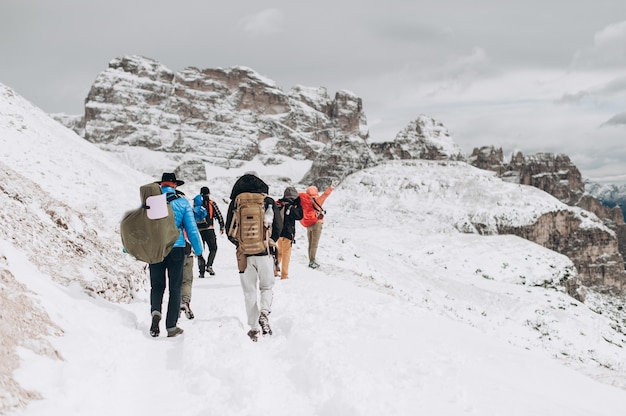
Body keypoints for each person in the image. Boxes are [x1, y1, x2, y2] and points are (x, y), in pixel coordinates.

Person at [225, 172, 280, 342]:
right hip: (264, 253)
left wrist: (241, 245)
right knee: (266, 287)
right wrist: (269, 242)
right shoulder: (267, 201)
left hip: (244, 256)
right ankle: (264, 312)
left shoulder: (236, 202)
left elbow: (229, 230)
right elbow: (278, 225)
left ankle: (254, 328)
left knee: (249, 292)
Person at [149, 172, 203, 338]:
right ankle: (171, 326)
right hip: (177, 248)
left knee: (157, 286)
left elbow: (141, 225)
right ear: (175, 186)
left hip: (156, 248)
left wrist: (133, 246)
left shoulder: (151, 201)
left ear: (161, 185)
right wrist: (199, 251)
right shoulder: (182, 202)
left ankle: (156, 313)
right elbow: (191, 229)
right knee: (175, 287)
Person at [299, 182, 335, 269]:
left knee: (310, 243)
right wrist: (331, 187)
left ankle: (311, 260)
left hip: (308, 223)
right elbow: (325, 195)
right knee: (314, 244)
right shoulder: (317, 200)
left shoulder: (304, 201)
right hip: (317, 223)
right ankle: (312, 262)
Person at [275, 186, 303, 279]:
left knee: (279, 252)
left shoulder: (279, 204)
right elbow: (300, 216)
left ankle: (274, 270)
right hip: (288, 233)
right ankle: (284, 275)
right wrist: (299, 204)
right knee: (286, 253)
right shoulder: (291, 207)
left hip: (278, 233)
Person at [199, 186, 225, 276]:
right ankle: (209, 265)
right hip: (209, 229)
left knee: (200, 250)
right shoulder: (211, 203)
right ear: (208, 193)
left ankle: (201, 271)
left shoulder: (196, 204)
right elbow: (219, 215)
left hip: (199, 231)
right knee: (213, 248)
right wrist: (222, 227)